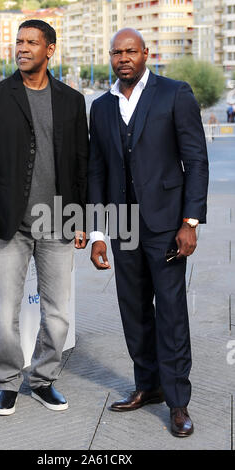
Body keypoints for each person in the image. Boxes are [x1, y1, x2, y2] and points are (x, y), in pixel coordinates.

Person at [88, 28, 208, 437]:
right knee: (134, 311)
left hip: (166, 226)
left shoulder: (174, 94)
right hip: (122, 229)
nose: (123, 58)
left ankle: (178, 402)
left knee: (171, 313)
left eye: (130, 51)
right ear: (110, 57)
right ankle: (148, 386)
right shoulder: (101, 108)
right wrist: (99, 232)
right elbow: (98, 172)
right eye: (116, 52)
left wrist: (189, 222)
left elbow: (195, 159)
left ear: (145, 54)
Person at [0, 20, 88, 416]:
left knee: (58, 314)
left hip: (58, 223)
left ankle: (42, 379)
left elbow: (80, 165)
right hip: (8, 226)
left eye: (31, 42)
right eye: (18, 42)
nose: (22, 48)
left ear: (49, 49)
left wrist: (82, 217)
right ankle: (6, 382)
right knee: (4, 311)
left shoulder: (72, 101)